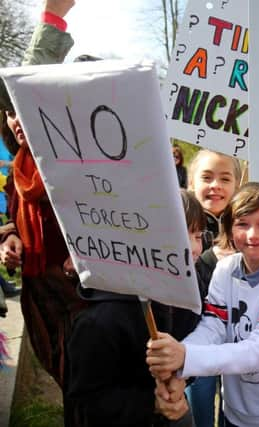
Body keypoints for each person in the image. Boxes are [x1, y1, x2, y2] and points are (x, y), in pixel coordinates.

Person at [147, 183, 259, 427]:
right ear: (229, 228)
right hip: (233, 410)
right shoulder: (225, 270)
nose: (252, 234)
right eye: (242, 224)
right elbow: (212, 326)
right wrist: (180, 369)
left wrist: (186, 356)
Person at [0, 0, 85, 391]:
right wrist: (11, 236)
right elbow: (16, 216)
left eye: (24, 111)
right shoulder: (19, 166)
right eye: (10, 113)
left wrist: (52, 19)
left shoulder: (70, 157)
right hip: (40, 304)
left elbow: (30, 83)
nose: (17, 119)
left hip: (80, 303)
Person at [66, 190, 205, 426]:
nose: (193, 247)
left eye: (198, 235)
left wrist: (181, 377)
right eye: (181, 234)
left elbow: (196, 342)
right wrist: (151, 403)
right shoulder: (100, 321)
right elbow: (88, 399)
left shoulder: (192, 295)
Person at [187, 148, 241, 427]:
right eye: (207, 177)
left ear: (237, 185)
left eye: (225, 179)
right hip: (196, 337)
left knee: (234, 407)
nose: (216, 186)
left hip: (238, 338)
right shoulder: (180, 223)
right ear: (191, 182)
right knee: (199, 407)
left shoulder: (245, 226)